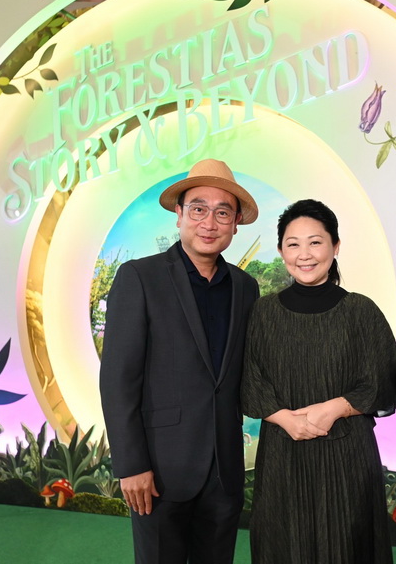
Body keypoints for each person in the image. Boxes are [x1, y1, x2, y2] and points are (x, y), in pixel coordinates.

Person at [99, 158, 260, 564]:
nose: (209, 222)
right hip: (158, 472)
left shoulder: (246, 288)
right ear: (179, 214)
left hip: (224, 472)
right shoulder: (139, 277)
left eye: (222, 212)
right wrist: (131, 465)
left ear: (235, 223)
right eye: (198, 209)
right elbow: (118, 379)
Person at [241, 198, 396, 564]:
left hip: (347, 454)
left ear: (335, 247)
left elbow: (384, 380)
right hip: (283, 453)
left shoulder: (361, 311)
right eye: (293, 244)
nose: (304, 254)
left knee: (346, 546)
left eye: (315, 242)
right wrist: (285, 419)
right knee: (284, 546)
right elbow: (249, 379)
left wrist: (336, 408)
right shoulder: (263, 313)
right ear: (281, 251)